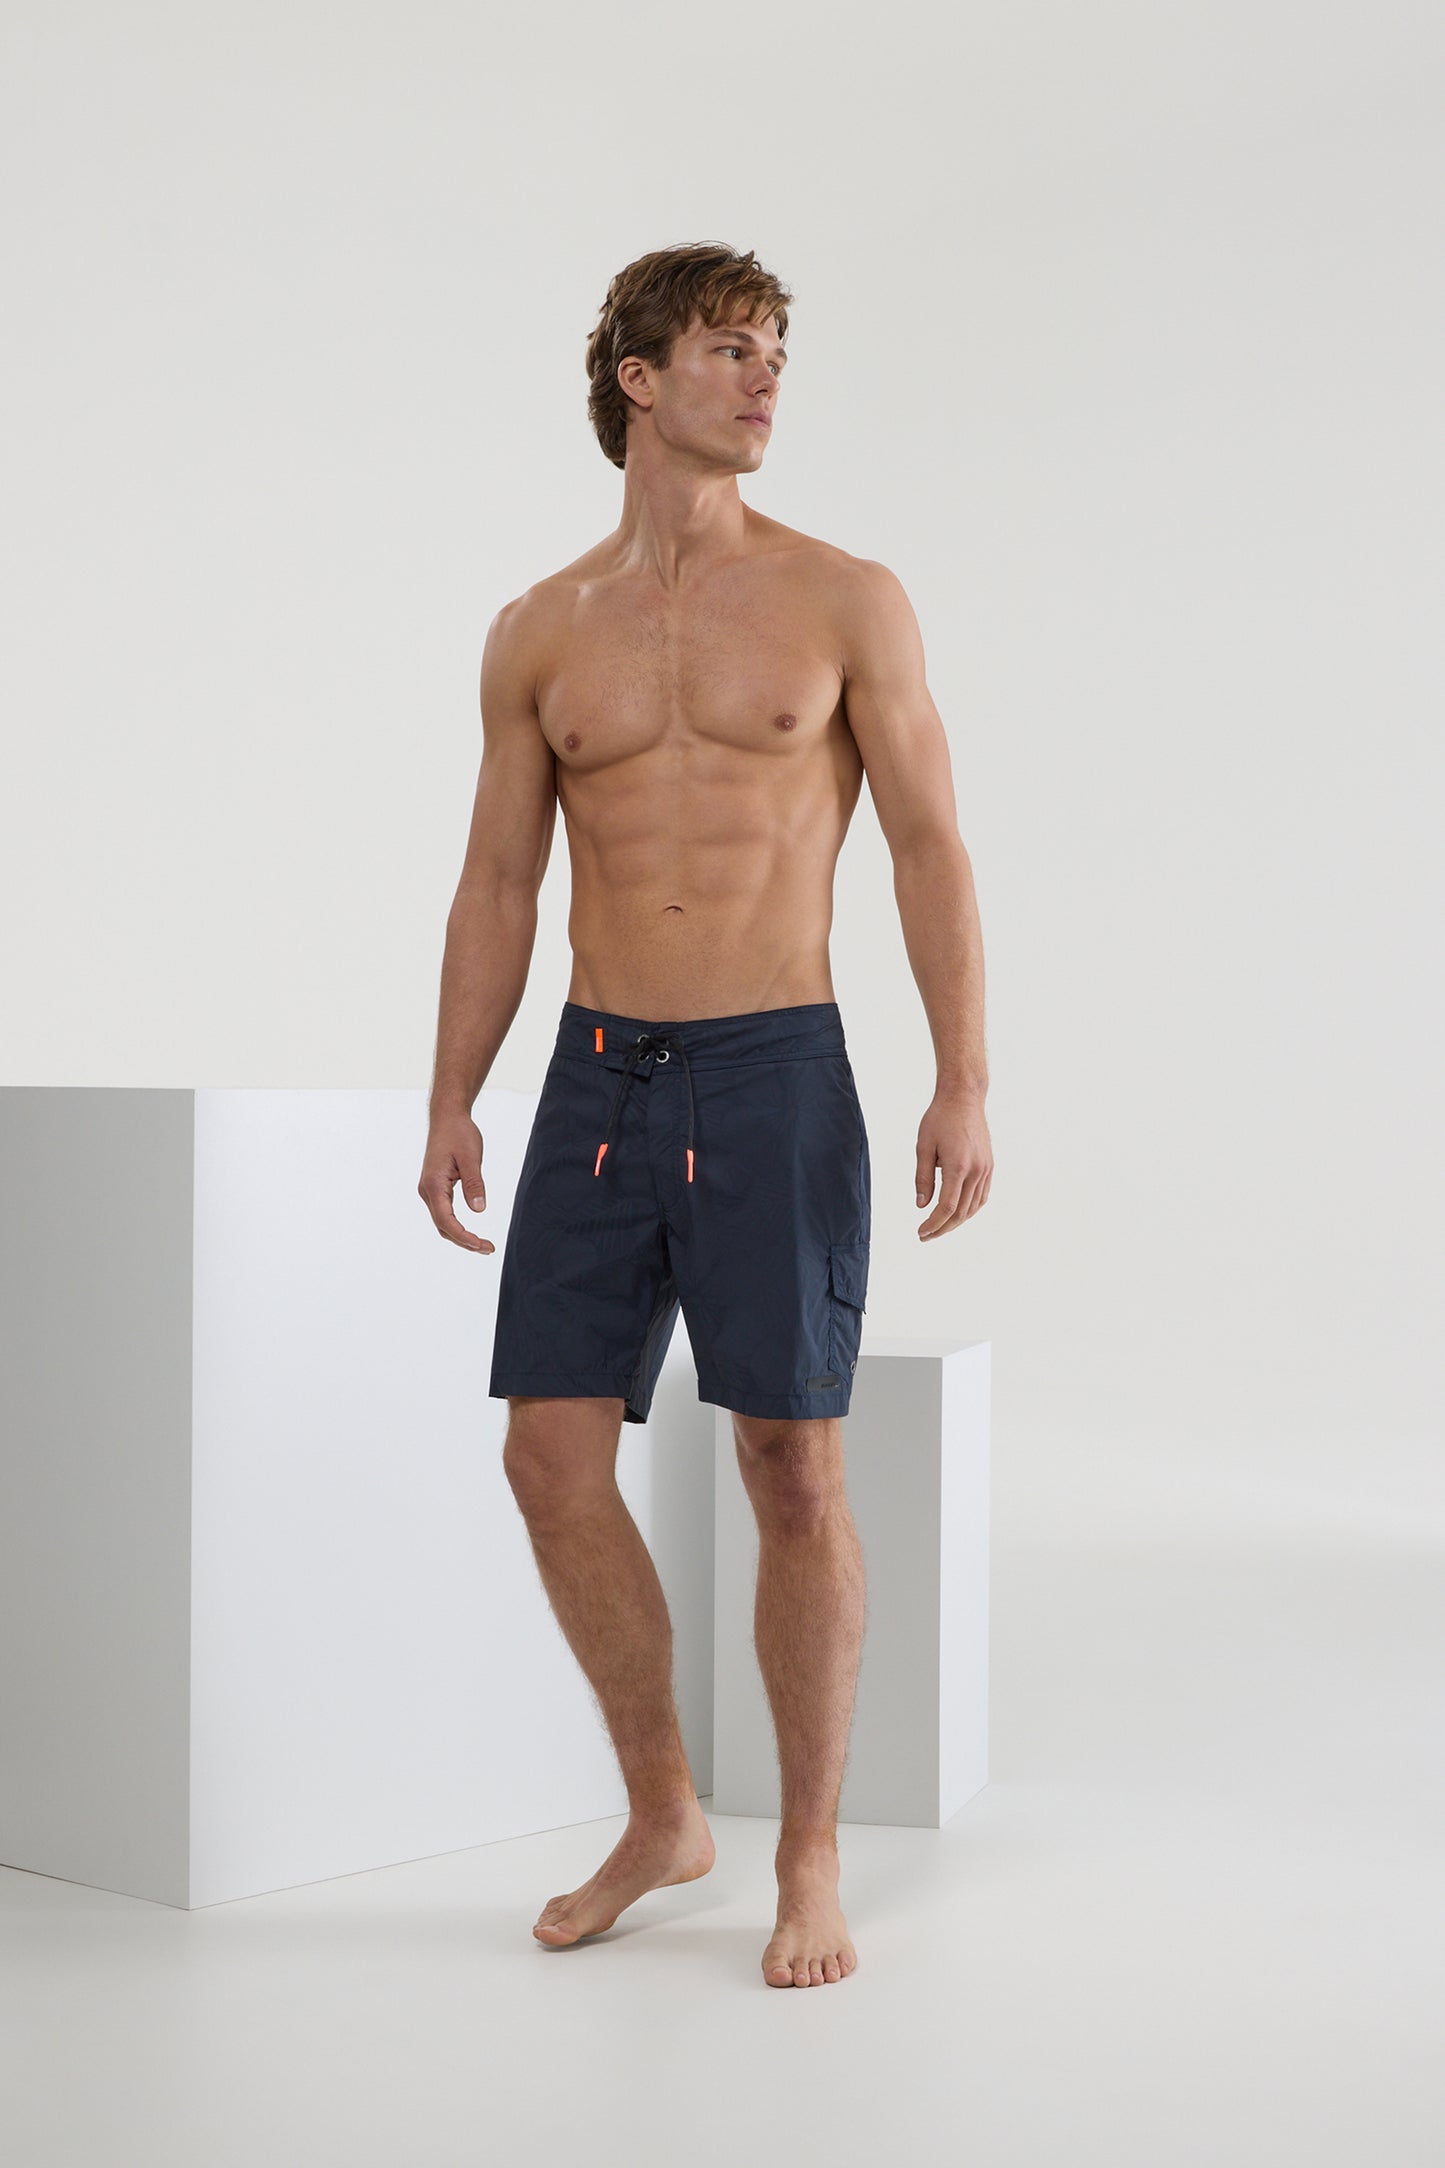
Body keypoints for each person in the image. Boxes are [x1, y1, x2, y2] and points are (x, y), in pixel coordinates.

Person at [418, 241, 992, 1989]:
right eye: (732, 350)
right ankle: (663, 1813)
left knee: (789, 1467)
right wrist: (451, 1093)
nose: (764, 380)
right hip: (596, 1072)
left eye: (773, 354)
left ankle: (807, 1855)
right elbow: (498, 879)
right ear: (638, 378)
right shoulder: (538, 629)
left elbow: (925, 844)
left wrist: (963, 1073)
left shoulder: (843, 597)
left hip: (772, 1067)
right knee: (546, 1459)